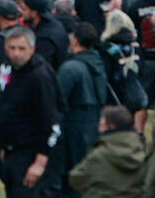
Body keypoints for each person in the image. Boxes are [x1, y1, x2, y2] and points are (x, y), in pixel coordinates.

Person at [0, 26, 63, 198]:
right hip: (7, 152)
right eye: (12, 48)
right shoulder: (4, 70)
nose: (17, 53)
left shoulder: (40, 75)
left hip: (32, 152)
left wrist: (41, 161)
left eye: (21, 48)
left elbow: (52, 119)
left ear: (32, 49)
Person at [55, 22, 106, 189]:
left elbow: (58, 100)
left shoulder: (71, 68)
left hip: (73, 128)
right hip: (93, 123)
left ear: (75, 40)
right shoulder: (97, 62)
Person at [68, 105, 146, 198]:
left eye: (101, 124)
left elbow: (76, 179)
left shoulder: (99, 155)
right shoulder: (141, 152)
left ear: (111, 126)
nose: (99, 128)